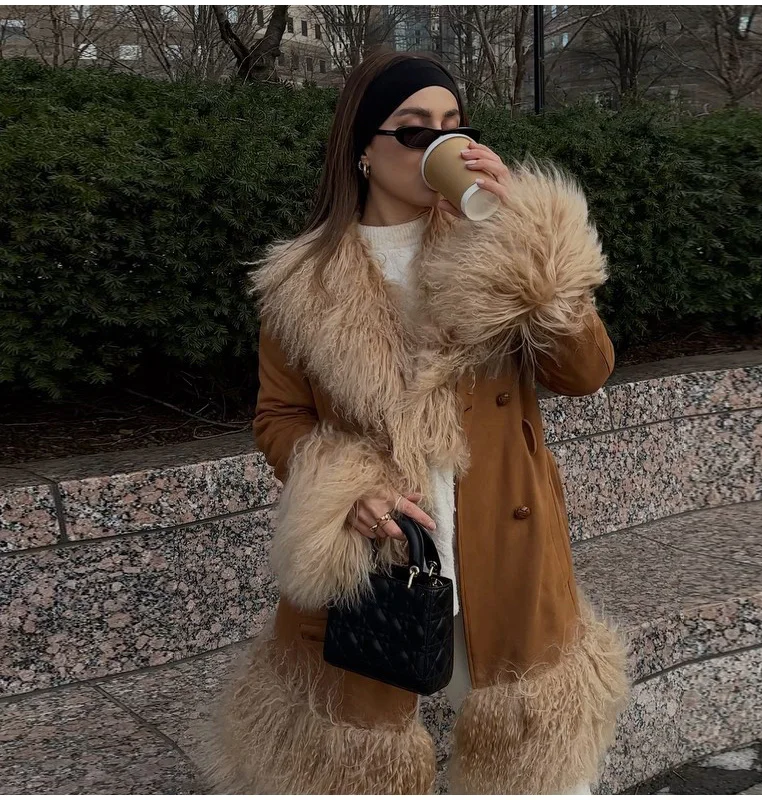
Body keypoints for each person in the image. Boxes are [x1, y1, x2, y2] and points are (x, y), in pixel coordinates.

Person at [202, 49, 630, 795]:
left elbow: (584, 372)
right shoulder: (301, 281)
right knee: (355, 763)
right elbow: (280, 416)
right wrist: (345, 492)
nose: (441, 145)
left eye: (454, 126)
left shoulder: (498, 251)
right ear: (363, 150)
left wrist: (534, 242)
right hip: (378, 563)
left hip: (505, 552)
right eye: (414, 130)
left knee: (541, 772)